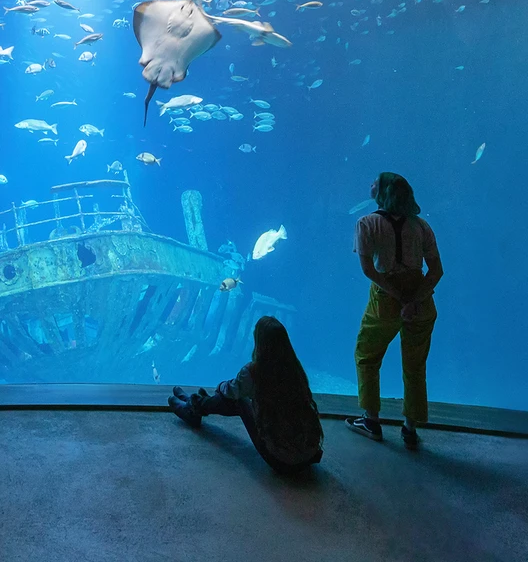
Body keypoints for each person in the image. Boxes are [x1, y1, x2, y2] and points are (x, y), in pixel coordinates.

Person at [348, 172, 442, 449]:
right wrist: (414, 299)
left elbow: (368, 269)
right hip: (421, 300)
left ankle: (371, 420)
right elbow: (436, 271)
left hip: (385, 299)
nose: (371, 184)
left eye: (376, 182)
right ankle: (410, 428)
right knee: (415, 365)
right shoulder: (422, 227)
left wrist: (398, 296)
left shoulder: (366, 224)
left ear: (384, 192)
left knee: (366, 355)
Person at [168, 316, 324, 475]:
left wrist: (221, 386)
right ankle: (198, 404)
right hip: (309, 455)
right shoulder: (294, 369)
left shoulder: (254, 371)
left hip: (282, 461)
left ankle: (195, 407)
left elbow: (230, 392)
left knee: (238, 401)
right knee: (238, 398)